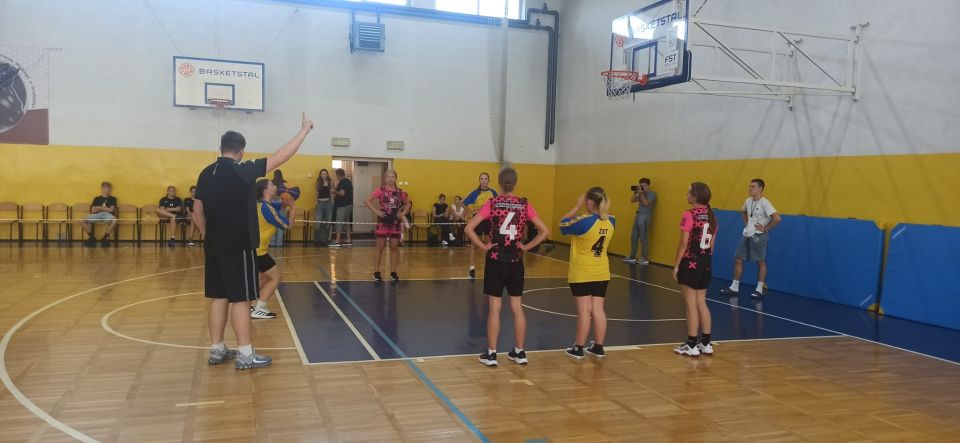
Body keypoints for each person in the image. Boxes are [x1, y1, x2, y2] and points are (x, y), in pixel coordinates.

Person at [192, 112, 313, 370]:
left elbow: (197, 211)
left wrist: (207, 235)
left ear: (221, 149)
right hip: (239, 245)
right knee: (240, 299)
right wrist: (304, 130)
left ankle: (217, 349)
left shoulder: (205, 173)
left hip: (213, 244)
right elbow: (281, 156)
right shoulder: (242, 171)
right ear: (241, 151)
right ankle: (246, 354)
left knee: (219, 296)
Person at [465, 168, 549, 367]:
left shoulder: (492, 203)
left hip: (496, 259)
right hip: (515, 260)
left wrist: (483, 246)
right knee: (517, 307)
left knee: (495, 307)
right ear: (515, 183)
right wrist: (526, 247)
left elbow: (469, 228)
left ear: (499, 183)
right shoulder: (524, 204)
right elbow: (544, 231)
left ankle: (492, 354)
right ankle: (519, 352)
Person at [559, 187, 615, 360]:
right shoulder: (612, 220)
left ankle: (579, 348)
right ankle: (599, 347)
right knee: (598, 309)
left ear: (589, 201)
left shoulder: (584, 221)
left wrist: (577, 206)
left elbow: (562, 225)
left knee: (584, 311)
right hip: (602, 271)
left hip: (582, 272)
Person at [672, 182, 717, 357]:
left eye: (688, 192)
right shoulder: (712, 216)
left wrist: (676, 264)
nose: (686, 194)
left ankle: (691, 345)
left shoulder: (689, 214)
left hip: (690, 263)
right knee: (701, 303)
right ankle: (706, 343)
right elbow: (712, 246)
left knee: (690, 304)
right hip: (706, 263)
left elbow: (684, 243)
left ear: (695, 196)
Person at [720, 178, 781, 299]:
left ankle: (759, 289)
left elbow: (777, 218)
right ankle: (734, 287)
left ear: (760, 188)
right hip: (747, 234)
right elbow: (743, 211)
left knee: (760, 262)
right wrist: (747, 223)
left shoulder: (765, 203)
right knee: (738, 259)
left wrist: (766, 228)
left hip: (759, 236)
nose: (750, 188)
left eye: (753, 186)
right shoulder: (748, 201)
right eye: (750, 186)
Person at [251, 178, 293, 319]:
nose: (275, 186)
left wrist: (284, 204)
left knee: (265, 277)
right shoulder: (266, 208)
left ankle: (249, 305)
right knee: (276, 277)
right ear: (265, 191)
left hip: (254, 249)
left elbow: (277, 210)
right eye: (272, 185)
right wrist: (293, 208)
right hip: (259, 251)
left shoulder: (261, 205)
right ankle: (259, 308)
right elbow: (288, 225)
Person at [365, 170, 411, 282]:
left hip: (395, 223)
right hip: (383, 222)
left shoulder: (400, 192)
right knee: (380, 247)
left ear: (396, 178)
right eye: (388, 177)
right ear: (385, 178)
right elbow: (367, 201)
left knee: (394, 247)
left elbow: (408, 204)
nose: (390, 178)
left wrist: (403, 213)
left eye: (393, 176)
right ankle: (376, 272)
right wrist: (376, 211)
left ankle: (393, 272)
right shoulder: (380, 190)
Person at [463, 172, 498, 278]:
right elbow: (462, 203)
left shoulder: (493, 192)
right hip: (477, 220)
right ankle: (471, 268)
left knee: (489, 244)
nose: (483, 181)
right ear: (479, 181)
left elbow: (497, 205)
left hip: (489, 220)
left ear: (488, 181)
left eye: (485, 179)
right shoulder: (475, 193)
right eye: (482, 179)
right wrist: (471, 211)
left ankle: (491, 267)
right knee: (475, 245)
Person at [624, 178, 656, 265]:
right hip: (638, 215)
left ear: (648, 185)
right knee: (633, 236)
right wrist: (636, 193)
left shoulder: (652, 194)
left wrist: (641, 194)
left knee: (643, 237)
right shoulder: (641, 193)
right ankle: (632, 256)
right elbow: (632, 200)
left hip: (646, 215)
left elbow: (646, 203)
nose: (643, 187)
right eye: (641, 185)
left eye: (644, 185)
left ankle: (644, 257)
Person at [80, 182, 118, 248]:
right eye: (106, 188)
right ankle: (91, 237)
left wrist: (99, 207)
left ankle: (105, 238)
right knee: (81, 220)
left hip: (107, 215)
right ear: (102, 188)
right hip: (96, 215)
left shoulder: (113, 199)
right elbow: (93, 211)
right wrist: (105, 208)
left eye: (109, 188)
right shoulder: (96, 198)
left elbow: (111, 210)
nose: (108, 190)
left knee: (114, 220)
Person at [331, 168, 353, 247]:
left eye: (336, 175)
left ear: (337, 175)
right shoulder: (347, 181)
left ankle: (337, 241)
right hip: (349, 205)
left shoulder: (343, 181)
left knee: (339, 222)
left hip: (343, 206)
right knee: (346, 223)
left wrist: (334, 191)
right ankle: (349, 239)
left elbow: (342, 193)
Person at [314, 168, 334, 246]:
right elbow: (316, 192)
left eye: (325, 174)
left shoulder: (330, 182)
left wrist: (332, 202)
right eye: (322, 174)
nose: (324, 175)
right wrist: (316, 202)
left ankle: (324, 240)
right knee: (318, 223)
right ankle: (317, 239)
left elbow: (331, 193)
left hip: (328, 203)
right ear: (320, 175)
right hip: (320, 203)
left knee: (328, 223)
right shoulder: (318, 182)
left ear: (327, 174)